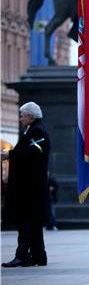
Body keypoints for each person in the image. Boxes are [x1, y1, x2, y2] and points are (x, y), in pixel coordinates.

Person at [2, 102, 50, 268]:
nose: (20, 118)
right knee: (34, 222)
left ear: (30, 115)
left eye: (22, 115)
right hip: (33, 187)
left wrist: (10, 155)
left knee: (25, 222)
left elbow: (33, 154)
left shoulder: (37, 131)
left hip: (30, 188)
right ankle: (38, 256)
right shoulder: (36, 129)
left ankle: (22, 255)